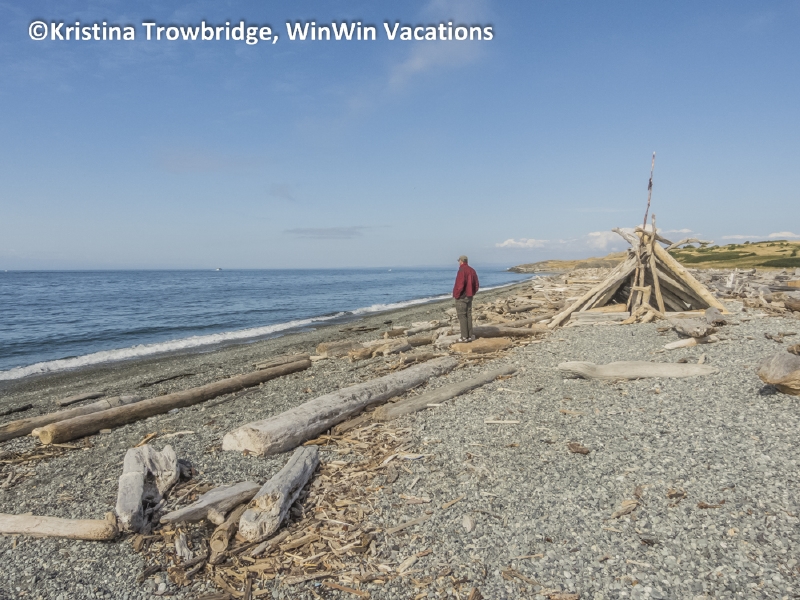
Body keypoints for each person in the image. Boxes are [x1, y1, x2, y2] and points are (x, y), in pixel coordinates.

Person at [452, 255, 479, 342]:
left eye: (459, 261)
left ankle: (464, 337)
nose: (458, 262)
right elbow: (476, 284)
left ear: (461, 261)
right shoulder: (472, 270)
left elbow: (460, 284)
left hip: (462, 296)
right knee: (468, 315)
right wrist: (472, 293)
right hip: (469, 296)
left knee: (462, 316)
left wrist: (456, 295)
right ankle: (470, 335)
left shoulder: (462, 270)